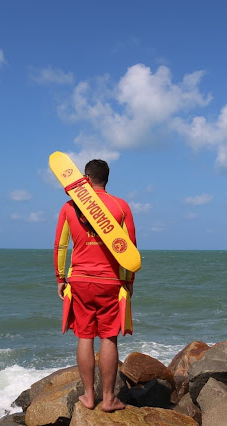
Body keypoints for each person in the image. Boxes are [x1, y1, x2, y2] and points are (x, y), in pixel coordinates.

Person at [54, 159, 136, 412]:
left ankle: (89, 397)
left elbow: (61, 246)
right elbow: (129, 248)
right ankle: (109, 398)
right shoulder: (121, 207)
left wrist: (60, 278)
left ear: (85, 179)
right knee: (109, 338)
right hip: (110, 280)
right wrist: (129, 281)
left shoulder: (70, 207)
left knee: (85, 336)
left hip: (79, 280)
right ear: (107, 179)